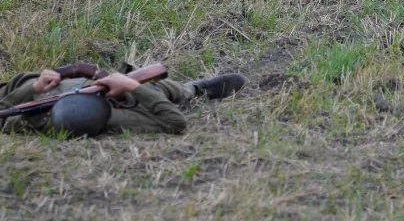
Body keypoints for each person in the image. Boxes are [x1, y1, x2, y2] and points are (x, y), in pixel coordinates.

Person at [0, 64, 246, 136]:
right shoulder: (120, 118)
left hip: (22, 87)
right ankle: (194, 89)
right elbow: (175, 122)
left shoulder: (33, 98)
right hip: (131, 92)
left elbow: (5, 106)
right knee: (166, 90)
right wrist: (131, 86)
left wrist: (36, 86)